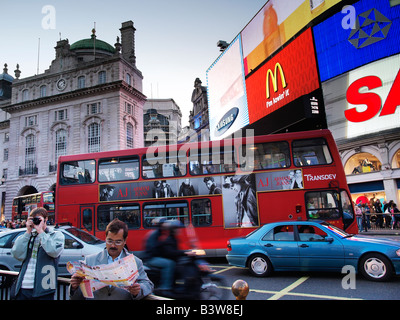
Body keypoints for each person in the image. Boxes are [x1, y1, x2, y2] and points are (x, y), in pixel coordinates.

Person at [69, 219, 153, 300]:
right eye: (109, 241)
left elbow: (148, 285)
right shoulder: (90, 260)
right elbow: (78, 295)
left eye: (118, 242)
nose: (113, 245)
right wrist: (74, 287)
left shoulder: (135, 262)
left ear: (125, 241)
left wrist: (139, 289)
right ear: (105, 238)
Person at [11, 207, 65, 300]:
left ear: (46, 219)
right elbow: (17, 254)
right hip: (23, 287)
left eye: (38, 219)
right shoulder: (29, 236)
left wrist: (41, 232)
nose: (36, 222)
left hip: (44, 288)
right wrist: (28, 231)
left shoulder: (56, 235)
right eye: (33, 219)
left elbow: (53, 251)